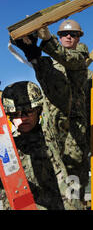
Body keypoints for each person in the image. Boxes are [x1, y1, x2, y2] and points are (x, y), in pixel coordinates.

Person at [11, 19, 90, 206]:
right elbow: (47, 76)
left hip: (72, 128)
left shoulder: (80, 54)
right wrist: (32, 51)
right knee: (51, 175)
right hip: (52, 123)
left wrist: (47, 39)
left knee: (73, 179)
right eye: (64, 34)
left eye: (73, 34)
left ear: (79, 38)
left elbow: (69, 60)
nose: (68, 37)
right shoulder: (52, 61)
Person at [0, 81, 82, 210]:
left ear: (39, 110)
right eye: (15, 114)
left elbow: (60, 102)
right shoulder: (6, 148)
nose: (22, 118)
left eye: (28, 111)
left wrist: (39, 63)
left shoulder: (52, 136)